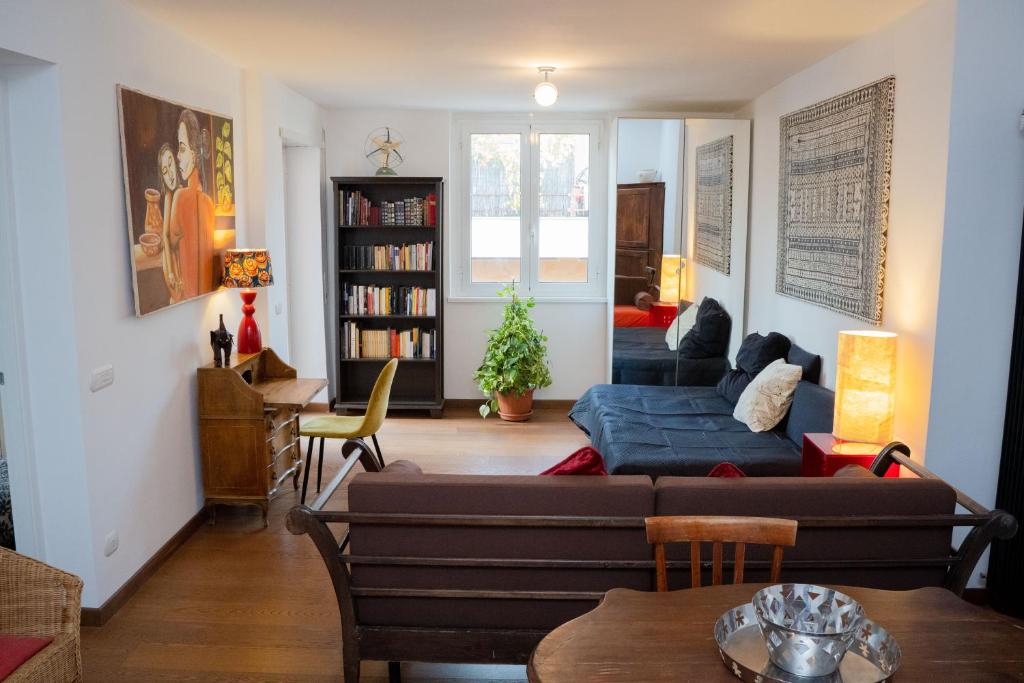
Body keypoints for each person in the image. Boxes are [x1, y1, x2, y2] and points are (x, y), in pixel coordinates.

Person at [168, 109, 215, 299]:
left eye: (181, 148)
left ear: (195, 154)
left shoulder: (179, 197)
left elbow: (170, 240)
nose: (178, 156)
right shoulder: (209, 203)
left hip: (186, 297)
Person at [157, 143, 185, 303]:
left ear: (176, 160)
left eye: (170, 164)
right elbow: (165, 237)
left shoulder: (184, 191)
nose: (170, 175)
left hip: (184, 251)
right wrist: (171, 273)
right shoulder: (168, 195)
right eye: (164, 171)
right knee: (177, 295)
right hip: (173, 253)